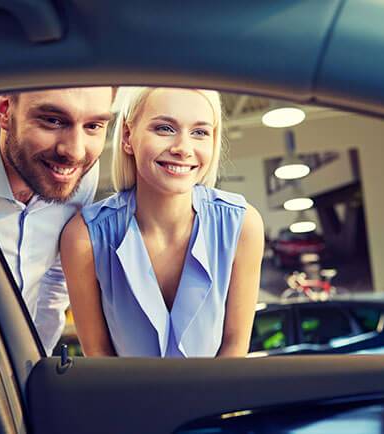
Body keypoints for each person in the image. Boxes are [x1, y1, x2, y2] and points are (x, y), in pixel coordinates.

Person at [60, 87, 264, 357]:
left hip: (219, 398)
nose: (183, 149)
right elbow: (99, 356)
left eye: (200, 132)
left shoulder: (242, 225)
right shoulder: (84, 237)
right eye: (165, 128)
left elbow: (235, 347)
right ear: (128, 137)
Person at [0, 87, 115, 355]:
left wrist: (34, 360)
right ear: (4, 109)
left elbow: (55, 277)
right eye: (53, 120)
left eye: (93, 125)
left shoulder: (76, 176)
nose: (75, 151)